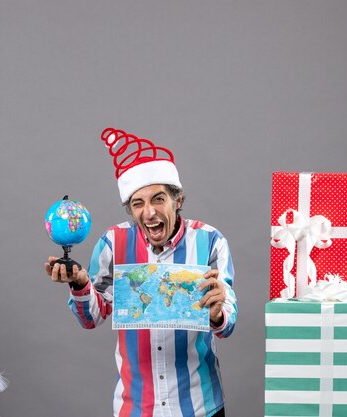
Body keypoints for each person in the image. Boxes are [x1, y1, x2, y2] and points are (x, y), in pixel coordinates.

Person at [45, 128, 237, 417]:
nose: (149, 213)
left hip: (200, 406)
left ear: (178, 200)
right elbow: (91, 318)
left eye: (159, 199)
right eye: (138, 203)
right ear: (131, 210)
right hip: (135, 407)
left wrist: (217, 314)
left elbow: (228, 323)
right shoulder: (112, 242)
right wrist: (81, 284)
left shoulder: (210, 241)